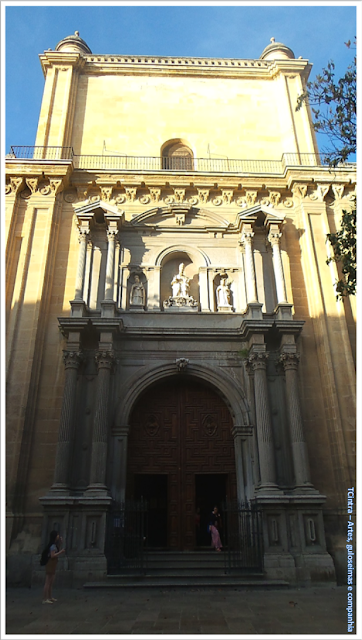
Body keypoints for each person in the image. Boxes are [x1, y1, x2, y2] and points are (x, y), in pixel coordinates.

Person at [42, 530, 65, 604]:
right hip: (50, 563)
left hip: (53, 563)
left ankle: (50, 597)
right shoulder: (52, 546)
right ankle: (45, 599)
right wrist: (60, 552)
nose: (58, 536)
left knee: (51, 582)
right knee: (48, 581)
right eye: (57, 535)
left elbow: (57, 549)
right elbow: (52, 555)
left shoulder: (54, 545)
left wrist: (61, 542)